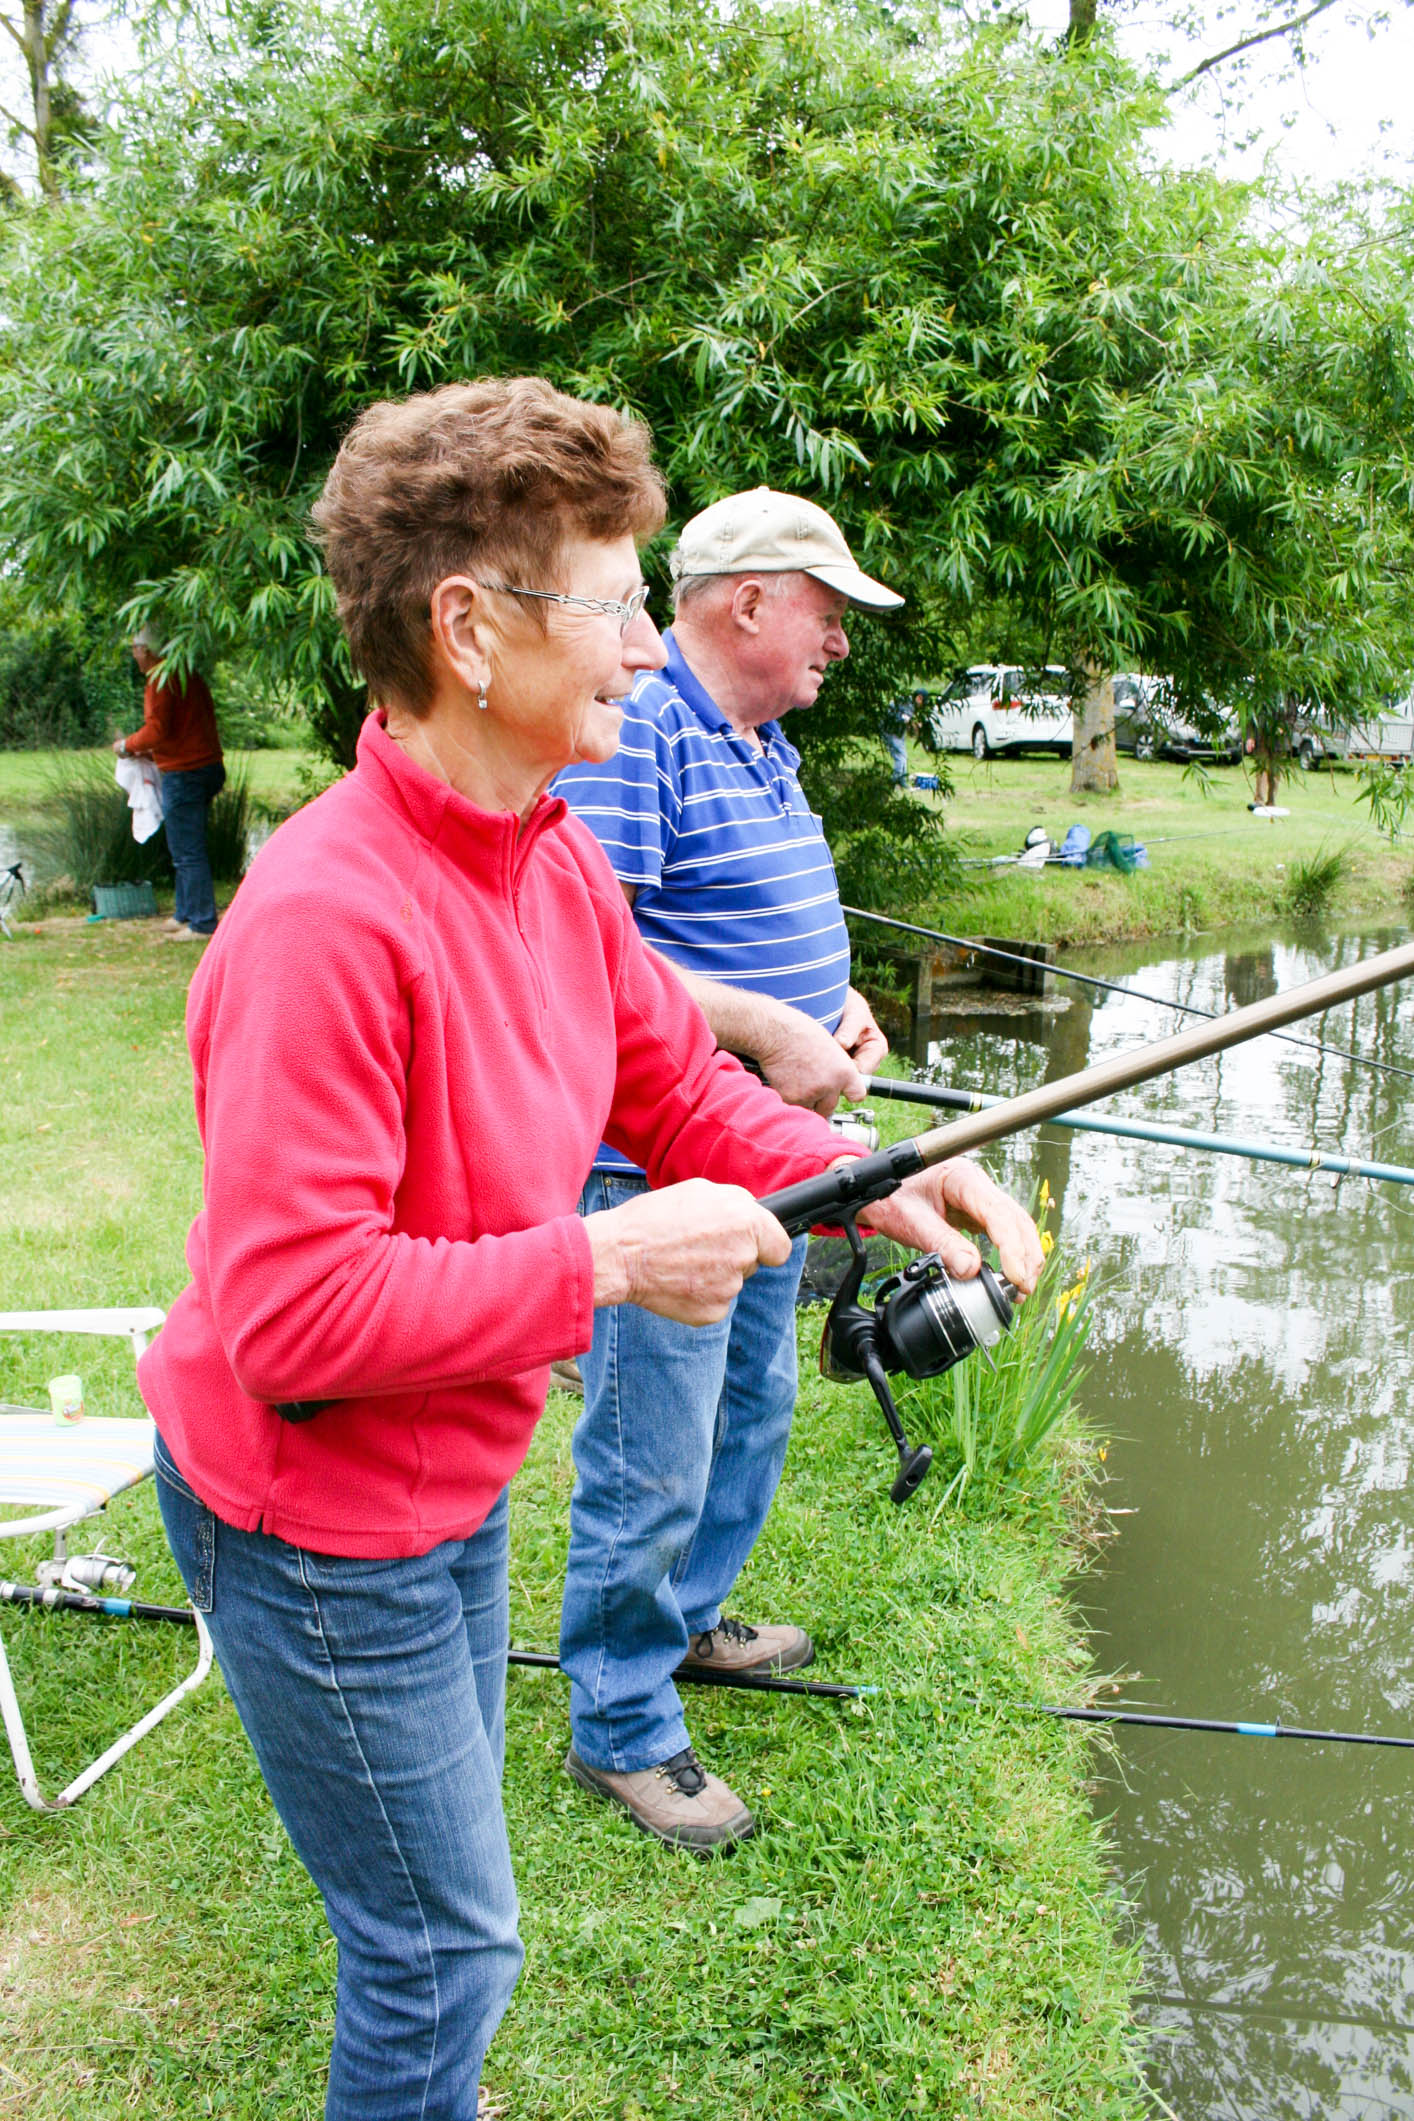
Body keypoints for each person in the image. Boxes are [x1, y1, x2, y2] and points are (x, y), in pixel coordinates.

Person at [137, 383, 1043, 2121]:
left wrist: (868, 1178)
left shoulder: (542, 857)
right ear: (469, 630)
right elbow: (291, 1317)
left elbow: (676, 1087)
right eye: (617, 604)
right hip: (313, 1520)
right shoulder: (326, 919)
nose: (644, 649)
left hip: (451, 1472)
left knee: (447, 1889)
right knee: (440, 1947)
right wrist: (609, 1262)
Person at [553, 488, 936, 1853]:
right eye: (828, 612)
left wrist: (836, 1010)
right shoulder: (642, 729)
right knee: (651, 1452)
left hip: (764, 1158)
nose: (840, 640)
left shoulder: (760, 741)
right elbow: (587, 957)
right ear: (750, 599)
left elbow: (748, 929)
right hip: (652, 1166)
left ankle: (686, 1621)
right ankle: (618, 1722)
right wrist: (769, 1027)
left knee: (750, 1414)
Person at [115, 628, 226, 939]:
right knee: (183, 845)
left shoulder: (161, 679)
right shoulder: (187, 673)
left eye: (135, 649)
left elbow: (157, 729)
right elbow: (183, 728)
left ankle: (202, 921)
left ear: (147, 650)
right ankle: (184, 912)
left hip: (186, 772)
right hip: (207, 766)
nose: (134, 655)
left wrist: (126, 746)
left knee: (187, 850)